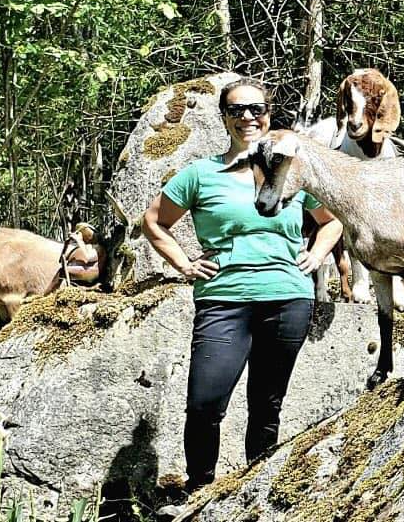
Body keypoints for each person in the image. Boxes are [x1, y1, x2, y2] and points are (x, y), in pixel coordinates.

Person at [141, 78, 343, 491]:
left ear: (270, 112)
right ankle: (199, 491)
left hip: (288, 297)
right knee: (204, 403)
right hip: (223, 300)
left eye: (257, 108)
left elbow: (334, 220)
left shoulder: (291, 171)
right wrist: (183, 263)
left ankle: (253, 493)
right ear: (224, 118)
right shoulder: (201, 174)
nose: (248, 117)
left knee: (266, 405)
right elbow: (154, 221)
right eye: (237, 110)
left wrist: (317, 255)